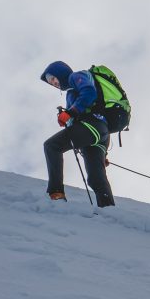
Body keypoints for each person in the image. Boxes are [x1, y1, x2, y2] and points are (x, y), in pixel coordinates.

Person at [40, 61, 115, 207]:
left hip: (92, 125)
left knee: (52, 146)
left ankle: (56, 194)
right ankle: (108, 209)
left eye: (53, 78)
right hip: (99, 133)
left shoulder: (75, 76)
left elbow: (89, 92)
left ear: (60, 72)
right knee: (95, 177)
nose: (53, 83)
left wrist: (70, 112)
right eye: (50, 82)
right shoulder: (71, 92)